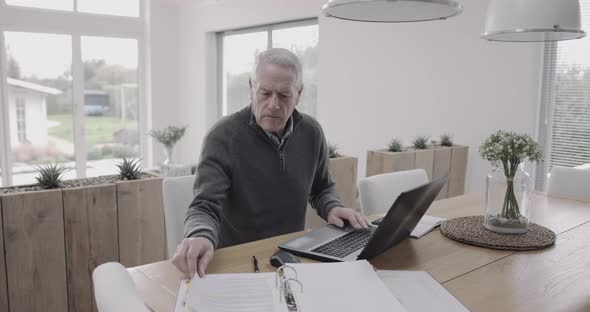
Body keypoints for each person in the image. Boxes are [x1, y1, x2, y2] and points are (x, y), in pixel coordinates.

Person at [172, 48, 369, 277]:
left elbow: (322, 187)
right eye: (265, 93)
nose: (274, 104)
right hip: (239, 262)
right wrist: (200, 234)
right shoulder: (223, 136)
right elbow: (204, 206)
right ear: (251, 88)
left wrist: (333, 206)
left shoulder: (312, 132)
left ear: (299, 93)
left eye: (284, 95)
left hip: (291, 257)